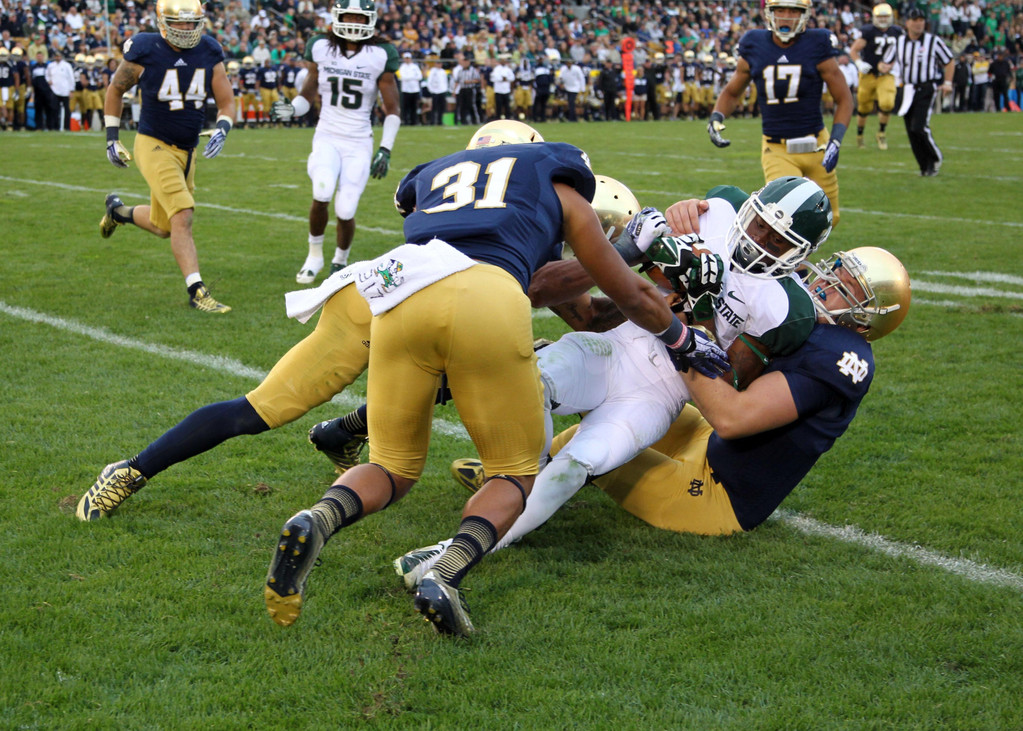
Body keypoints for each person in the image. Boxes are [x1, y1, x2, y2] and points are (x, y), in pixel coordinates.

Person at [261, 123, 727, 637]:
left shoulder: (442, 179)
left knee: (391, 466)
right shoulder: (559, 190)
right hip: (488, 303)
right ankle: (446, 570)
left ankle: (319, 518)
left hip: (402, 294)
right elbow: (616, 296)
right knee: (513, 472)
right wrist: (684, 337)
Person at [395, 246, 910, 582]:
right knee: (578, 408)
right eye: (834, 271)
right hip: (708, 438)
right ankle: (517, 474)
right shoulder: (802, 312)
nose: (824, 284)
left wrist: (682, 339)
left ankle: (475, 534)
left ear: (868, 320)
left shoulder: (843, 358)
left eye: (843, 287)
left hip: (717, 492)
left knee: (586, 456)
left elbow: (731, 414)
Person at [99, 0, 236, 313]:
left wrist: (223, 128)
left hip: (187, 149)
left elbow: (227, 101)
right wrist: (111, 138)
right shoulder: (145, 49)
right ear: (162, 21)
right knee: (183, 214)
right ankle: (197, 291)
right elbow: (115, 90)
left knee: (165, 227)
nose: (187, 29)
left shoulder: (209, 51)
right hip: (153, 144)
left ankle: (118, 212)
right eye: (180, 23)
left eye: (192, 22)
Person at [269, 0, 401, 285]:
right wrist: (292, 109)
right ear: (337, 17)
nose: (353, 22)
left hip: (359, 140)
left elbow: (392, 109)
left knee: (346, 208)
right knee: (322, 189)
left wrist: (385, 148)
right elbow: (307, 95)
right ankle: (314, 255)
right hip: (327, 135)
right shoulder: (320, 47)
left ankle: (340, 260)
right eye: (348, 16)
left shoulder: (381, 54)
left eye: (359, 17)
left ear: (370, 20)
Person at [708, 0, 852, 226]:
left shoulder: (817, 43)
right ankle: (792, 263)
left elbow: (844, 98)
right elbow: (732, 92)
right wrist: (717, 116)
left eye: (794, 10)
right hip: (777, 148)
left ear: (805, 15)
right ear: (769, 13)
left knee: (829, 219)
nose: (786, 16)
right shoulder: (755, 44)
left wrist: (836, 140)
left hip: (817, 145)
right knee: (785, 218)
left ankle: (805, 260)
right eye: (780, 10)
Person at [880, 8, 954, 176]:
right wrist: (883, 67)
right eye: (915, 20)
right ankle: (924, 166)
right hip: (906, 89)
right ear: (907, 23)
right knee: (910, 130)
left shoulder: (932, 41)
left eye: (921, 20)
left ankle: (935, 158)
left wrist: (948, 82)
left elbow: (949, 61)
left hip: (926, 87)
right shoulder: (898, 42)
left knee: (919, 127)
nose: (919, 23)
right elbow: (885, 61)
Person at [849, 2, 903, 150]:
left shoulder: (897, 32)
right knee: (864, 107)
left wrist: (890, 65)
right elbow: (853, 50)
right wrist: (859, 63)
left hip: (886, 74)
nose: (883, 19)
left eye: (886, 16)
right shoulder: (868, 31)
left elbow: (902, 53)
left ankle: (881, 133)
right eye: (880, 16)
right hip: (868, 74)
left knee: (887, 103)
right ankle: (860, 135)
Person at [397, 51, 422, 126]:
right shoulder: (402, 67)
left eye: (408, 58)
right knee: (405, 107)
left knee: (414, 107)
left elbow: (419, 76)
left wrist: (409, 78)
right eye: (406, 58)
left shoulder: (415, 67)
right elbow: (401, 77)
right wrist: (412, 77)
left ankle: (414, 121)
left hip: (414, 89)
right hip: (406, 90)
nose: (407, 60)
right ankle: (406, 120)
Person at [424, 55, 448, 126]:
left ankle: (440, 121)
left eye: (440, 63)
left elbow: (445, 81)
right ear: (435, 64)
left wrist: (445, 89)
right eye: (438, 63)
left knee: (441, 107)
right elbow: (429, 81)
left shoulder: (443, 71)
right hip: (435, 91)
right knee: (434, 107)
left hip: (442, 91)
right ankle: (432, 121)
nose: (439, 65)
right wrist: (431, 90)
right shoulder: (432, 71)